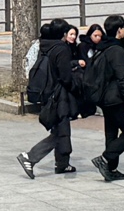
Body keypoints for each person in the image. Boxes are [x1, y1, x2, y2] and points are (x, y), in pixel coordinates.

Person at [18, 19, 85, 178]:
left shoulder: (45, 46)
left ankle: (62, 163)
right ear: (62, 34)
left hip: (47, 92)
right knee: (60, 131)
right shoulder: (61, 49)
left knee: (60, 129)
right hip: (59, 94)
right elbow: (65, 76)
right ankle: (30, 157)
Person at [90, 15, 124, 182]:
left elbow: (121, 47)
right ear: (118, 30)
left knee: (111, 133)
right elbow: (123, 78)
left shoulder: (105, 46)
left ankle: (111, 169)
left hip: (104, 98)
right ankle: (104, 159)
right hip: (116, 98)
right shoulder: (116, 51)